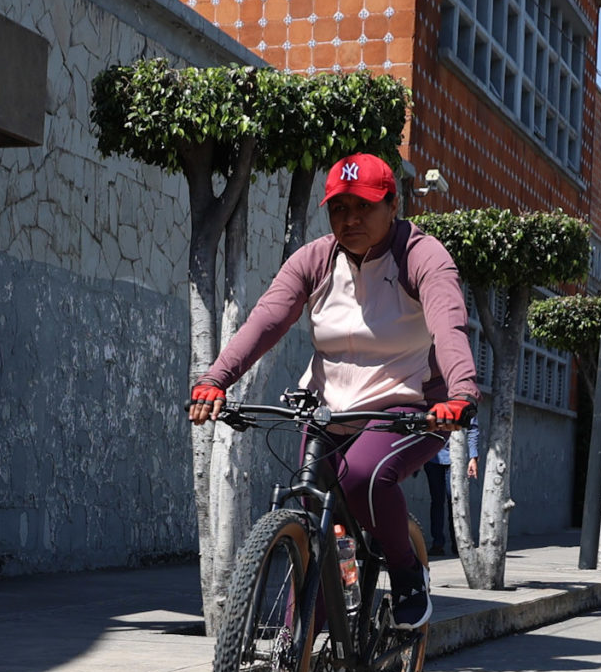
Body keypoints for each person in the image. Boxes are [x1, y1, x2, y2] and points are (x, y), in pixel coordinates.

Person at [187, 152, 477, 628]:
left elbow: (449, 323)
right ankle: (295, 653)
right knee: (317, 524)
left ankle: (407, 572)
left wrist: (460, 393)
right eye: (339, 208)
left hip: (411, 407)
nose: (350, 219)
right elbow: (267, 319)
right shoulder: (317, 259)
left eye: (364, 206)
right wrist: (215, 379)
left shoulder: (421, 255)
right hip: (330, 409)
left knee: (363, 476)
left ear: (393, 204)